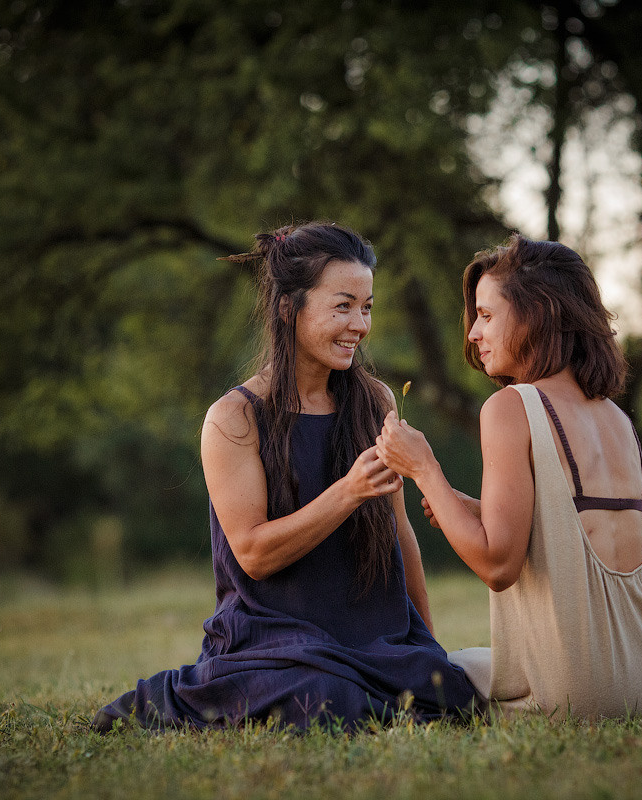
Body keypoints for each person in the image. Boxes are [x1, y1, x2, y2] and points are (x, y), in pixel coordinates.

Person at [92, 222, 477, 732]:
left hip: (370, 638)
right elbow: (252, 553)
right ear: (287, 307)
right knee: (326, 698)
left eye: (367, 307)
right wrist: (348, 491)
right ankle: (171, 700)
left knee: (450, 694)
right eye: (342, 306)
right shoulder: (234, 418)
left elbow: (399, 533)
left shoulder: (377, 401)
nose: (359, 325)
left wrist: (426, 647)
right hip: (273, 642)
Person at [374, 234, 642, 720]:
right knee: (489, 661)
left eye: (486, 314)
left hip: (576, 694)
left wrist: (424, 470)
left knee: (442, 669)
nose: (474, 334)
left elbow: (498, 566)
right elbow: (569, 526)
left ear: (538, 312)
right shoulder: (616, 419)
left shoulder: (509, 408)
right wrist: (466, 508)